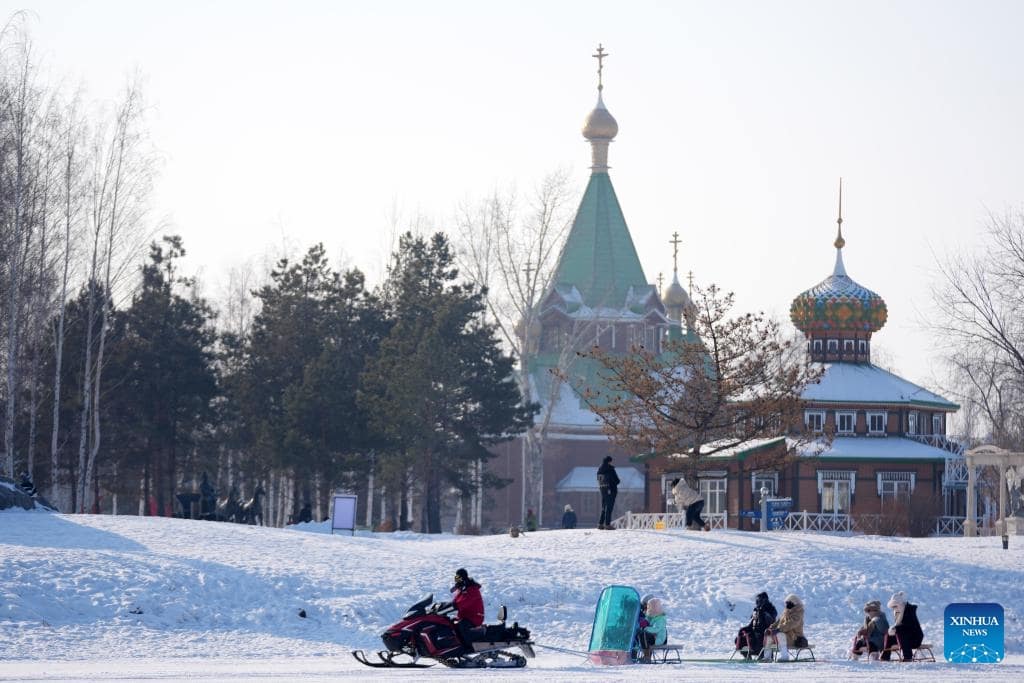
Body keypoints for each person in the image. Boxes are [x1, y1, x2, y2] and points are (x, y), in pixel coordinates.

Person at [882, 591, 923, 661]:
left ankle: (908, 656)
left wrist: (896, 628)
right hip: (904, 638)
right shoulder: (898, 613)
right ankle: (885, 656)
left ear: (900, 604)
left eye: (895, 606)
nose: (894, 608)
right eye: (893, 607)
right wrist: (892, 629)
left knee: (899, 630)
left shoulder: (909, 612)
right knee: (888, 634)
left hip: (915, 639)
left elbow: (908, 627)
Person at [735, 591, 777, 659]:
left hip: (765, 632)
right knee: (740, 639)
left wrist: (764, 613)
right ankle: (747, 656)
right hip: (755, 632)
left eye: (759, 601)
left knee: (756, 638)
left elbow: (771, 621)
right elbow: (752, 624)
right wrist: (743, 629)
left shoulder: (771, 609)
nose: (757, 602)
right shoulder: (756, 610)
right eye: (757, 601)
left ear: (764, 600)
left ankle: (763, 654)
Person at [766, 593, 806, 662]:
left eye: (789, 603)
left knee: (780, 635)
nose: (787, 604)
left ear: (794, 603)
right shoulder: (786, 612)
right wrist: (770, 628)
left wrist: (779, 629)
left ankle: (785, 656)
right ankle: (767, 657)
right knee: (769, 636)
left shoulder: (798, 613)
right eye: (786, 603)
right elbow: (778, 622)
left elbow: (791, 624)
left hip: (795, 638)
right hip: (786, 636)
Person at [449, 568, 485, 645]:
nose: (457, 580)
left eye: (458, 578)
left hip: (475, 617)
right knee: (450, 623)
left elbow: (464, 602)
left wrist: (455, 606)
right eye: (456, 578)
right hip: (465, 616)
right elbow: (456, 601)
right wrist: (447, 606)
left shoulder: (472, 588)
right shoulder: (462, 589)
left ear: (463, 578)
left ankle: (469, 645)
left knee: (462, 625)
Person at [637, 597, 668, 662]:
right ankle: (646, 654)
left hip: (660, 639)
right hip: (655, 637)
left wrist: (646, 628)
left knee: (644, 634)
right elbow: (646, 621)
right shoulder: (652, 617)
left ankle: (647, 656)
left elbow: (656, 629)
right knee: (641, 634)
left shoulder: (660, 619)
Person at [596, 456, 620, 530]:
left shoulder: (599, 470)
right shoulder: (610, 469)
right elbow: (617, 480)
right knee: (609, 508)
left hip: (603, 490)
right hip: (611, 490)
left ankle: (600, 524)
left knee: (604, 507)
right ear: (609, 461)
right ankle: (607, 524)